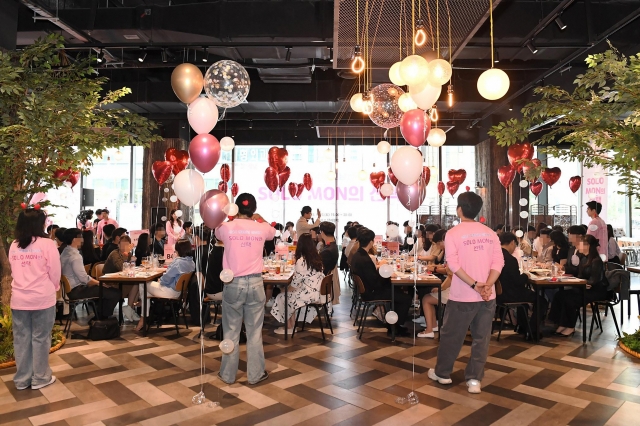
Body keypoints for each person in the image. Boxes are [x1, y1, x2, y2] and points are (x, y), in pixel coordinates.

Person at [428, 192, 504, 395]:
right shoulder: (491, 233)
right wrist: (487, 284)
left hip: (463, 295)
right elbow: (499, 263)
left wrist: (475, 284)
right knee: (481, 339)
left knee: (451, 336)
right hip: (488, 296)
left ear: (459, 209)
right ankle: (474, 380)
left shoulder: (453, 233)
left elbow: (453, 264)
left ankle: (443, 374)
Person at [215, 193, 275, 385]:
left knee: (231, 331)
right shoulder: (262, 228)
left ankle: (227, 375)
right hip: (256, 283)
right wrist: (259, 219)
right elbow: (273, 232)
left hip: (233, 283)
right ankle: (255, 374)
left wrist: (230, 217)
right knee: (254, 332)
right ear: (253, 209)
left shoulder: (226, 227)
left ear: (236, 208)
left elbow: (216, 231)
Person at [9, 208, 61, 391]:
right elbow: (55, 272)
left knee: (21, 339)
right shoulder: (47, 244)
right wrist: (54, 287)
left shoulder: (14, 245)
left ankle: (22, 380)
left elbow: (14, 270)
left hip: (19, 299)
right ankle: (40, 378)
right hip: (42, 299)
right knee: (40, 338)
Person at [350, 227, 411, 337]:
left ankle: (393, 324)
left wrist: (382, 271)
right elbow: (375, 281)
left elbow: (371, 276)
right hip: (372, 292)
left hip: (368, 289)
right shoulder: (364, 258)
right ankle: (395, 327)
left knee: (397, 291)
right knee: (405, 298)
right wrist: (387, 274)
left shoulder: (359, 255)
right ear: (371, 242)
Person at [548, 235, 607, 337]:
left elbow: (595, 280)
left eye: (580, 243)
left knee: (570, 300)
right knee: (560, 295)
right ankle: (560, 323)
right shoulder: (584, 258)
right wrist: (565, 270)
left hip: (594, 291)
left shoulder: (596, 260)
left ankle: (570, 327)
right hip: (583, 288)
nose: (578, 246)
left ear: (587, 245)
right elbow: (579, 274)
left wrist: (584, 282)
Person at [271, 233, 326, 335]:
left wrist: (284, 289)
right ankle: (291, 324)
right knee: (286, 295)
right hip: (317, 291)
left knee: (282, 296)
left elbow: (294, 284)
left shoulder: (302, 261)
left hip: (310, 293)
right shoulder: (317, 257)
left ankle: (289, 327)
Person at [135, 239, 195, 331]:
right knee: (147, 293)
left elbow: (166, 278)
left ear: (178, 250)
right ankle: (145, 307)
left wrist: (160, 280)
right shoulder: (191, 262)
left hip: (169, 291)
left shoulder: (178, 262)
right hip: (179, 292)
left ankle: (143, 317)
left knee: (143, 284)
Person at [61, 229, 121, 320]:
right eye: (80, 237)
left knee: (107, 291)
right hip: (77, 290)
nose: (83, 240)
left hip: (70, 289)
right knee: (115, 293)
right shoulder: (75, 256)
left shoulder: (65, 252)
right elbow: (84, 279)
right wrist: (99, 283)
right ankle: (101, 319)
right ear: (74, 239)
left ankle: (99, 316)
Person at [497, 232, 547, 338]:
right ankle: (533, 331)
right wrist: (525, 275)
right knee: (542, 301)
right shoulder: (510, 260)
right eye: (515, 245)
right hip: (511, 294)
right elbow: (518, 281)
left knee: (524, 304)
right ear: (511, 243)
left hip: (498, 294)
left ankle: (523, 327)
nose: (514, 248)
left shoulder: (495, 256)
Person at [417, 230, 449, 339]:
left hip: (453, 290)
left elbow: (451, 275)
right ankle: (433, 325)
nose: (437, 246)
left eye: (438, 243)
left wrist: (441, 288)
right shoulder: (450, 251)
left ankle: (429, 330)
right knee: (427, 294)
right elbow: (446, 268)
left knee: (426, 299)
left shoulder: (451, 252)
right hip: (452, 285)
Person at [103, 235, 139, 320]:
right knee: (136, 285)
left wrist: (132, 261)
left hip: (122, 280)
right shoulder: (114, 254)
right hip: (111, 282)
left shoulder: (129, 254)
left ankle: (130, 309)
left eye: (127, 245)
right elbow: (121, 267)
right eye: (122, 244)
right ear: (118, 245)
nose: (124, 247)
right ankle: (129, 309)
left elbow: (131, 269)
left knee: (138, 284)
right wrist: (127, 257)